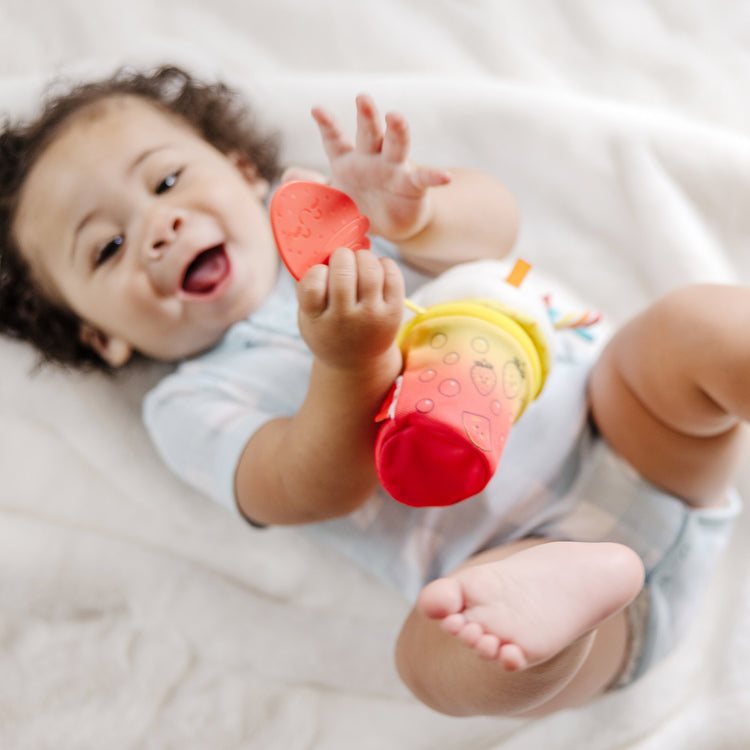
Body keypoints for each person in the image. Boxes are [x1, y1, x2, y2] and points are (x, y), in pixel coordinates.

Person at [0, 64, 743, 718]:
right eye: (107, 247)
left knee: (697, 325)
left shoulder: (343, 227)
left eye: (166, 182)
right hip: (520, 562)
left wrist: (420, 215)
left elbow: (494, 230)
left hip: (627, 420)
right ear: (102, 337)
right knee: (432, 657)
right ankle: (557, 599)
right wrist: (350, 364)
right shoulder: (187, 405)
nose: (157, 228)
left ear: (243, 172)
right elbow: (303, 484)